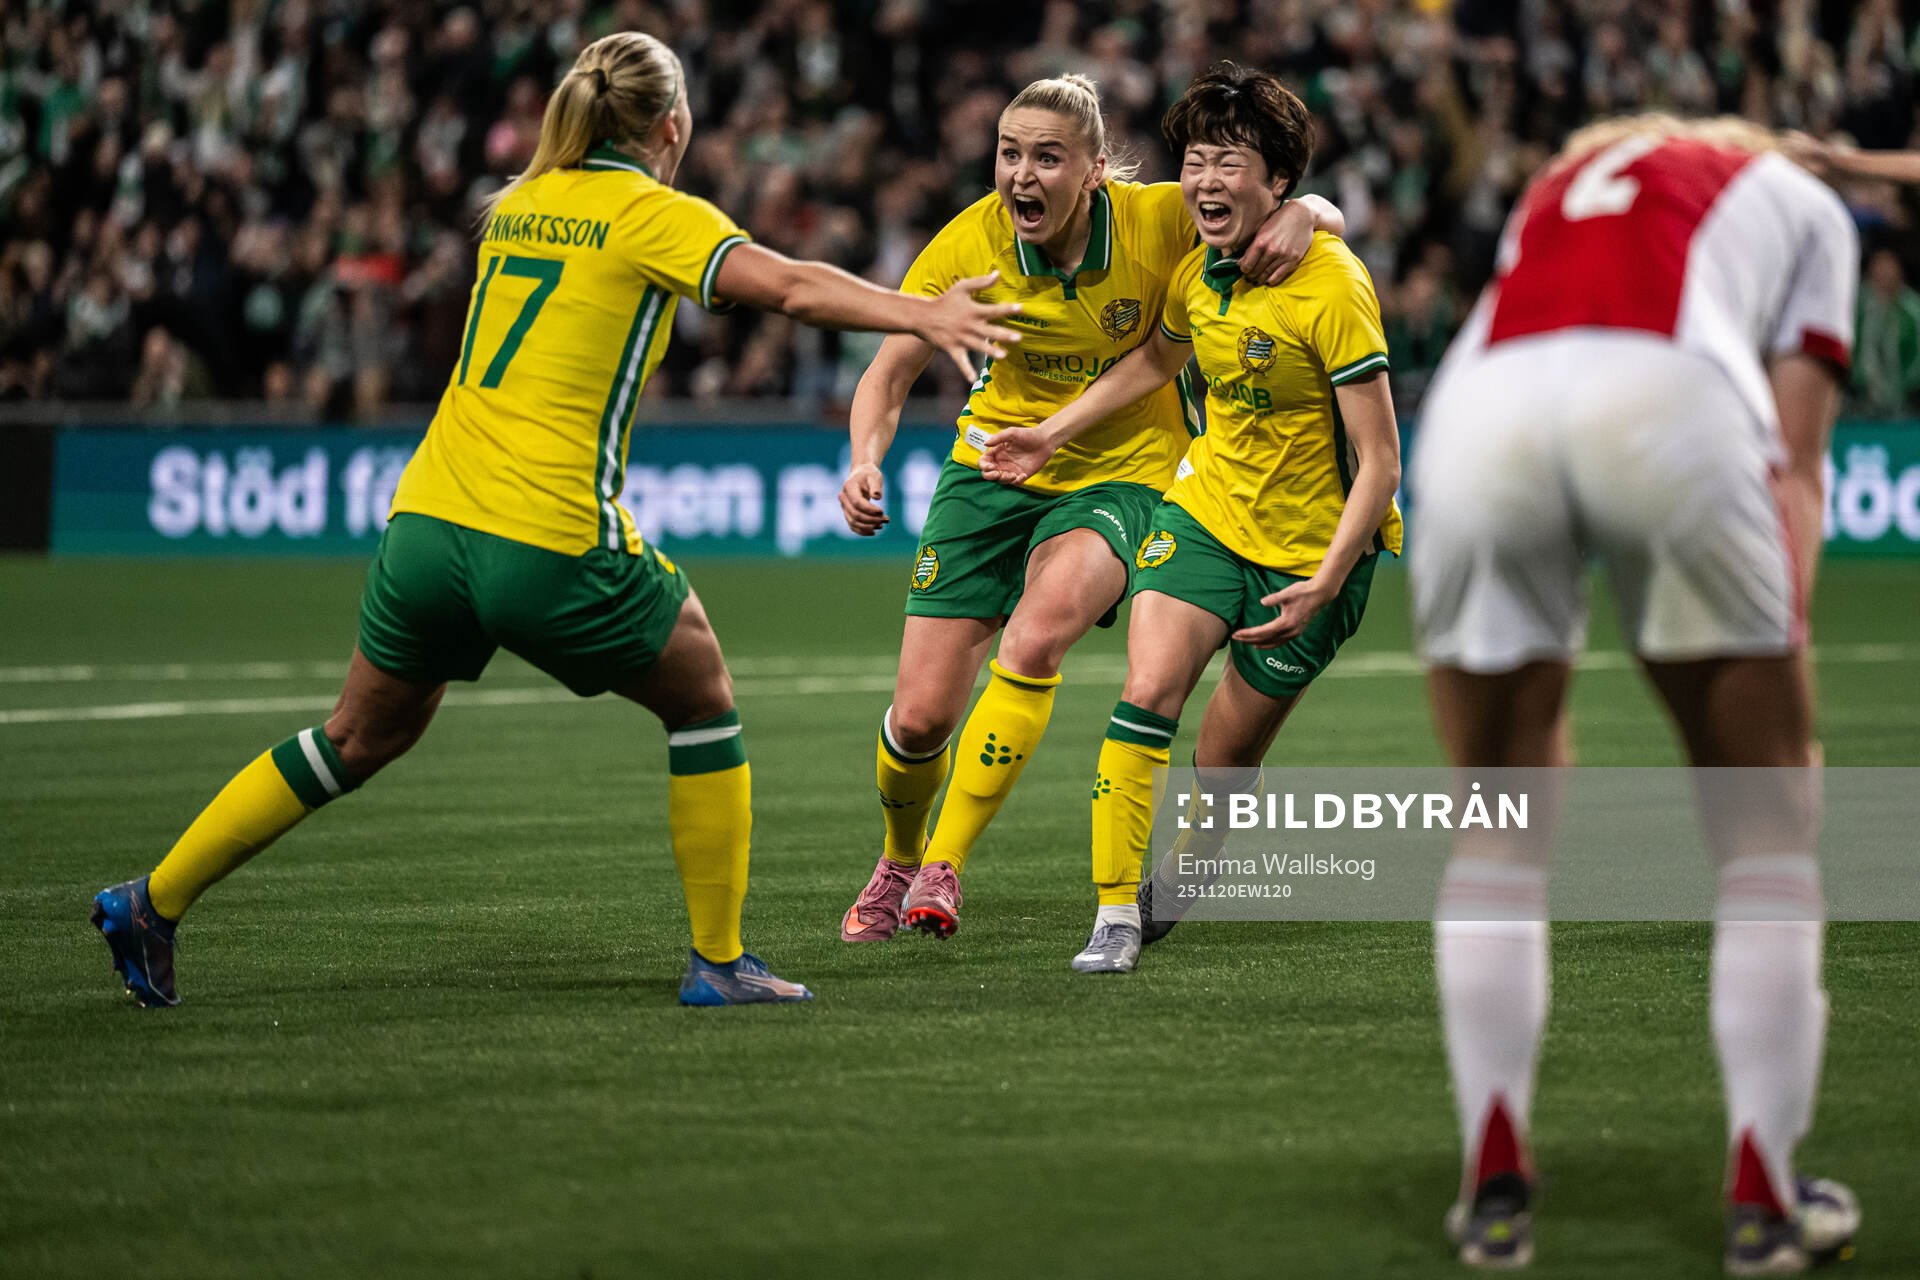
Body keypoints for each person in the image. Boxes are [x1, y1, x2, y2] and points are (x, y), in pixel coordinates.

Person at [89, 31, 1020, 1010]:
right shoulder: (647, 213)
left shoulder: (520, 204)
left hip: (426, 521)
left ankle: (154, 900)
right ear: (671, 124)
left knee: (355, 735)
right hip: (542, 529)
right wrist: (922, 315)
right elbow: (786, 286)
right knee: (702, 698)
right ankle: (719, 962)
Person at [1409, 114, 1861, 1272]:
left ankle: (1494, 1177)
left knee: (1497, 823)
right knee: (1766, 828)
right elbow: (1798, 463)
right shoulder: (1800, 196)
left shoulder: (1562, 176)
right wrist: (1778, 656)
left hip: (1478, 415)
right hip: (1668, 397)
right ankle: (1764, 1192)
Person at [835, 73, 1345, 946]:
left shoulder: (1156, 219)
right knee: (919, 720)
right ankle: (899, 857)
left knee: (1037, 638)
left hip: (1124, 471)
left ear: (1095, 170)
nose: (1021, 175)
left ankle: (942, 866)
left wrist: (1311, 212)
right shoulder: (970, 246)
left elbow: (1276, 201)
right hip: (992, 467)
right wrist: (863, 460)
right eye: (1008, 154)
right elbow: (888, 373)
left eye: (1047, 157)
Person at [981, 64, 1400, 973]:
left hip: (1310, 555)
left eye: (1228, 163)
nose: (1205, 181)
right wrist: (1050, 432)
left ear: (1276, 180)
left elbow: (1382, 461)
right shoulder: (1195, 276)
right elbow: (1154, 361)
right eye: (1195, 162)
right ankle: (1114, 914)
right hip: (1204, 513)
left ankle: (1195, 861)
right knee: (1146, 695)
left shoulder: (1333, 285)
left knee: (1222, 759)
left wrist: (1327, 580)